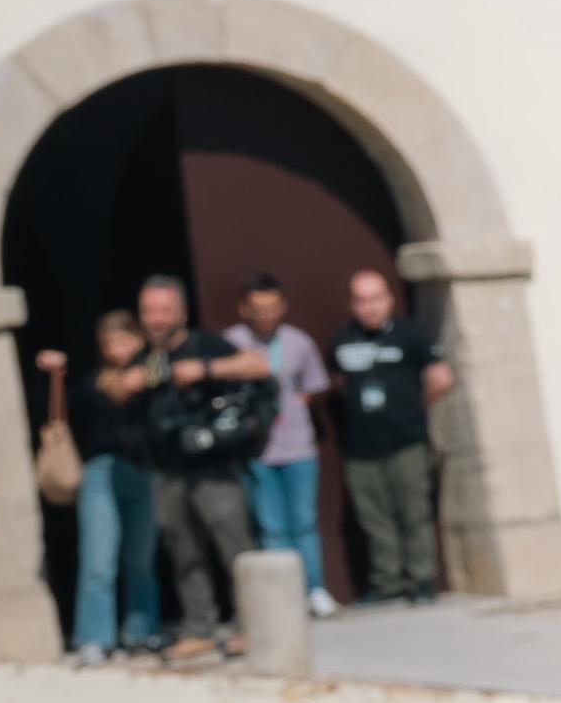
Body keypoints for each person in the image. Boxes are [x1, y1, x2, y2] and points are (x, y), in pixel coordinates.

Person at [133, 273, 261, 664]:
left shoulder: (206, 345)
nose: (156, 318)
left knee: (235, 547)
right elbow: (112, 385)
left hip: (213, 468)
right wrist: (126, 382)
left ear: (182, 313)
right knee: (183, 552)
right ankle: (199, 628)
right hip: (167, 470)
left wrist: (204, 370)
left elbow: (257, 364)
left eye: (164, 310)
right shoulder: (145, 358)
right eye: (149, 311)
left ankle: (252, 625)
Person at [32, 311, 165, 655]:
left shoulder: (155, 374)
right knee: (98, 562)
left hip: (143, 472)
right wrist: (55, 375)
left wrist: (150, 377)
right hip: (100, 475)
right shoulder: (92, 382)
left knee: (141, 561)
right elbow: (62, 412)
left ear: (139, 340)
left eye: (125, 340)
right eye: (110, 343)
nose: (118, 349)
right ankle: (94, 638)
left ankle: (141, 632)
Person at [326, 268, 450, 604]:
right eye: (362, 300)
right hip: (361, 447)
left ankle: (422, 579)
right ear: (352, 304)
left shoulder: (411, 334)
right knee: (374, 519)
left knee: (414, 514)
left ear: (389, 299)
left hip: (406, 440)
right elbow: (338, 384)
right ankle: (387, 581)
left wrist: (413, 408)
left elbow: (441, 379)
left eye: (376, 299)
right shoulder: (341, 341)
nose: (370, 307)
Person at [227, 274, 334, 616]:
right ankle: (286, 597)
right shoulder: (232, 342)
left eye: (272, 308)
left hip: (298, 446)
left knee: (303, 522)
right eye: (258, 309)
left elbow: (315, 386)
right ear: (244, 309)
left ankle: (315, 590)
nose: (266, 316)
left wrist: (298, 403)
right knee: (271, 527)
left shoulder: (299, 342)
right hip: (257, 449)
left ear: (283, 306)